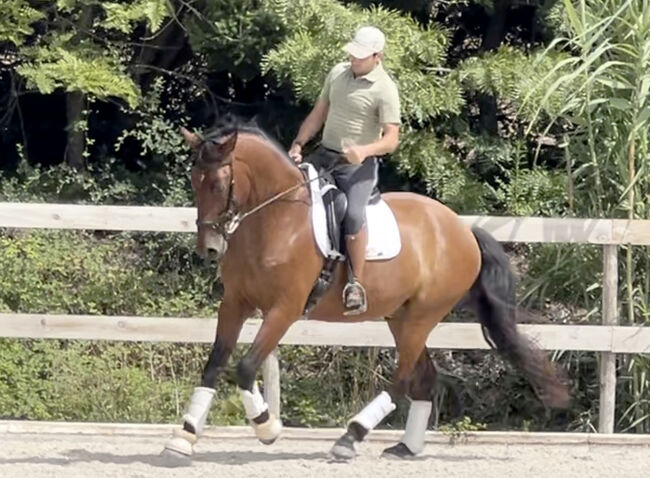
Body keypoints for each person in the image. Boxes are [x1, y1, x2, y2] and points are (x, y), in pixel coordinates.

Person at [288, 26, 401, 315]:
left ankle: (355, 284)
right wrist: (299, 142)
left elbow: (391, 139)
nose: (353, 59)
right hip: (325, 156)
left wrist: (363, 150)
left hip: (358, 167)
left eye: (360, 57)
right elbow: (319, 112)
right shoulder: (337, 73)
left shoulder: (385, 89)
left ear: (378, 57)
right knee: (292, 198)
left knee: (352, 214)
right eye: (352, 54)